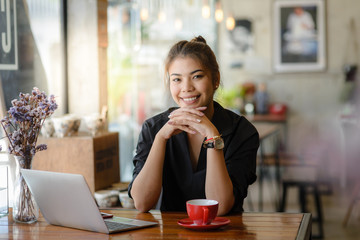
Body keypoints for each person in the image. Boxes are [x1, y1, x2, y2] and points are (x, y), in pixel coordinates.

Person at [128, 36, 259, 215]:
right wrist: (160, 138)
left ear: (215, 79)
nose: (186, 87)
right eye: (177, 79)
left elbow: (220, 207)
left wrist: (213, 135)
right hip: (170, 235)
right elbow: (142, 203)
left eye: (197, 76)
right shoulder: (154, 128)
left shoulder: (242, 131)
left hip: (225, 233)